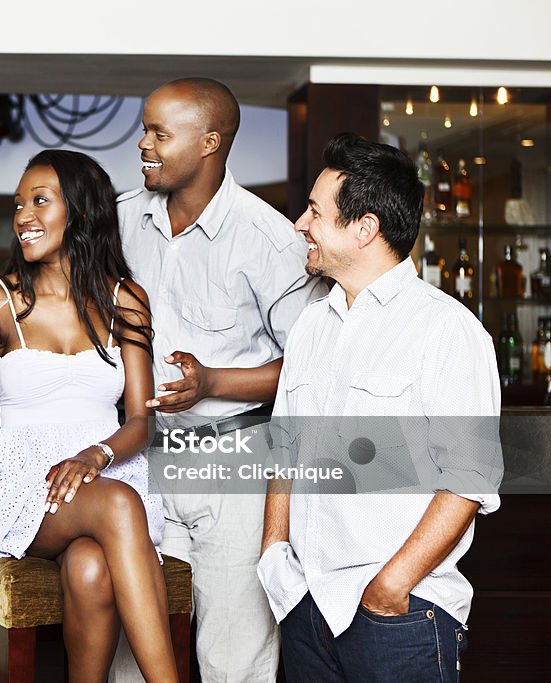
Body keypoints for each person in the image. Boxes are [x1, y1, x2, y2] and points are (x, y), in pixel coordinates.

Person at [257, 133, 503, 682]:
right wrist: (275, 553)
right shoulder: (310, 326)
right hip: (305, 604)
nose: (300, 224)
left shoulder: (446, 329)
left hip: (398, 616)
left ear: (364, 228)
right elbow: (285, 446)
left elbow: (469, 479)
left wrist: (390, 588)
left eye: (316, 212)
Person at [0, 149, 177, 682]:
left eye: (40, 200)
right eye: (18, 204)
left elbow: (140, 420)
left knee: (91, 568)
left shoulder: (126, 300)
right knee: (118, 505)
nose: (23, 215)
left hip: (102, 469)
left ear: (81, 211)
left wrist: (96, 454)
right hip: (22, 481)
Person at [111, 77, 325, 682]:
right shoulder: (120, 222)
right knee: (132, 657)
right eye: (144, 129)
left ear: (209, 142)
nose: (143, 145)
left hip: (231, 464)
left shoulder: (270, 239)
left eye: (159, 133)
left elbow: (309, 368)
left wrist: (212, 383)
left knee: (234, 656)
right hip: (138, 462)